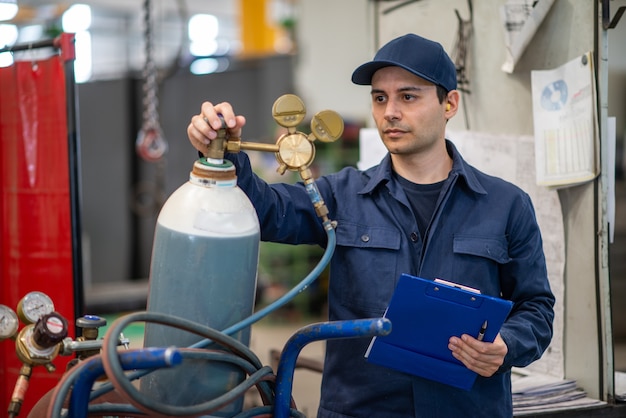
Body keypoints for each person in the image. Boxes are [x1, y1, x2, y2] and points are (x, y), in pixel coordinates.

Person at [187, 33, 555, 418]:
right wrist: (220, 152)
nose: (390, 111)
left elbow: (537, 308)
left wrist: (506, 345)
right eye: (380, 98)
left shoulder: (506, 205)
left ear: (450, 104)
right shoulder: (340, 196)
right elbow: (263, 211)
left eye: (407, 97)